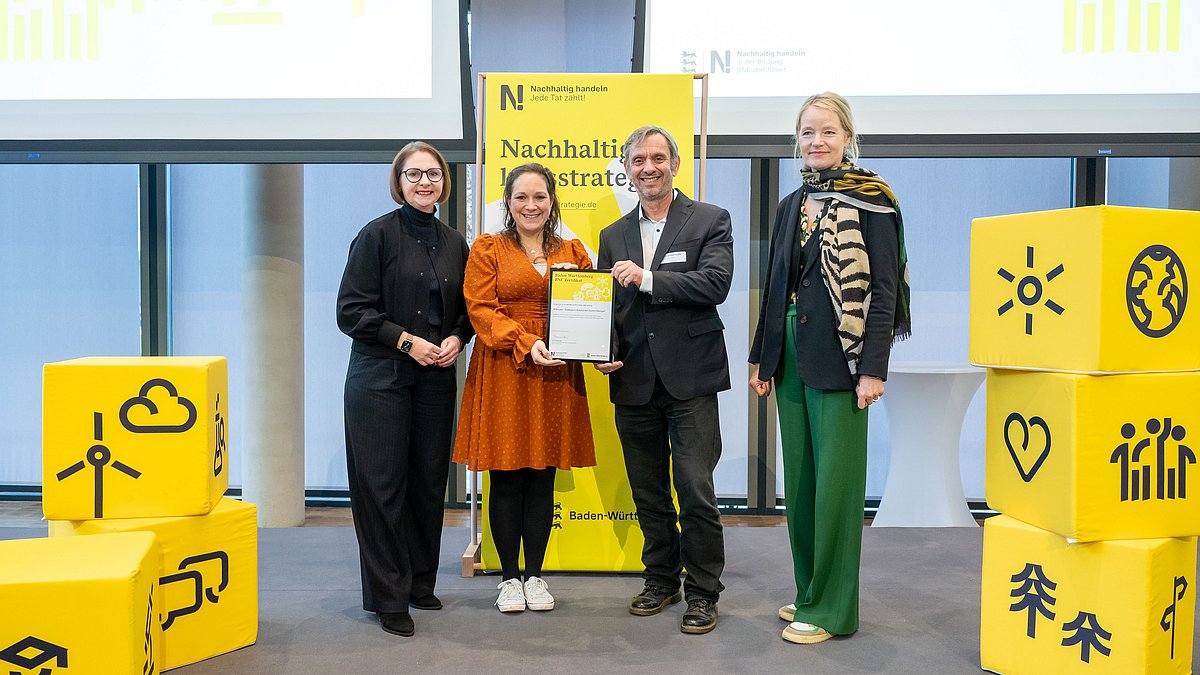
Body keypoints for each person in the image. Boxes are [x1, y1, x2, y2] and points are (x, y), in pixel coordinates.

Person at [748, 92, 911, 645]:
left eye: (828, 132)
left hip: (845, 358)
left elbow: (884, 291)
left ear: (848, 138)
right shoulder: (793, 202)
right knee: (802, 484)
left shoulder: (873, 200)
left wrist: (874, 369)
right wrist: (763, 358)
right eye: (808, 132)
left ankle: (834, 609)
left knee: (837, 489)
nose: (817, 141)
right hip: (792, 354)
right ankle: (810, 590)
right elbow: (775, 286)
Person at [595, 126, 734, 635]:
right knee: (648, 490)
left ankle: (702, 592)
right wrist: (601, 351)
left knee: (695, 489)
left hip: (690, 380)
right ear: (627, 169)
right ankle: (660, 578)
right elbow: (610, 308)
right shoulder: (613, 235)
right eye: (637, 160)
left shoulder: (709, 219)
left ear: (675, 164)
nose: (647, 167)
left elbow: (716, 284)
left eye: (657, 158)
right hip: (632, 381)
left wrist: (649, 278)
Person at [336, 141, 474, 638]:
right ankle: (388, 597)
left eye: (433, 174)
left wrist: (458, 337)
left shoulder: (456, 241)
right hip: (380, 380)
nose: (424, 182)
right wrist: (406, 340)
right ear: (399, 182)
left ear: (444, 182)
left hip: (435, 378)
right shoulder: (375, 236)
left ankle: (419, 582)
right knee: (382, 488)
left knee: (427, 482)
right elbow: (351, 312)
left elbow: (466, 311)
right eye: (414, 174)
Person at [452, 163, 597, 614]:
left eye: (539, 197)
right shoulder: (488, 248)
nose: (531, 205)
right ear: (508, 202)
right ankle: (509, 578)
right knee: (507, 476)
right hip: (505, 369)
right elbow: (480, 309)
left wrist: (600, 347)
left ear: (552, 201)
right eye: (521, 197)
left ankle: (536, 575)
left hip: (556, 372)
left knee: (543, 476)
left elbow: (596, 305)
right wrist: (525, 340)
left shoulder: (573, 251)